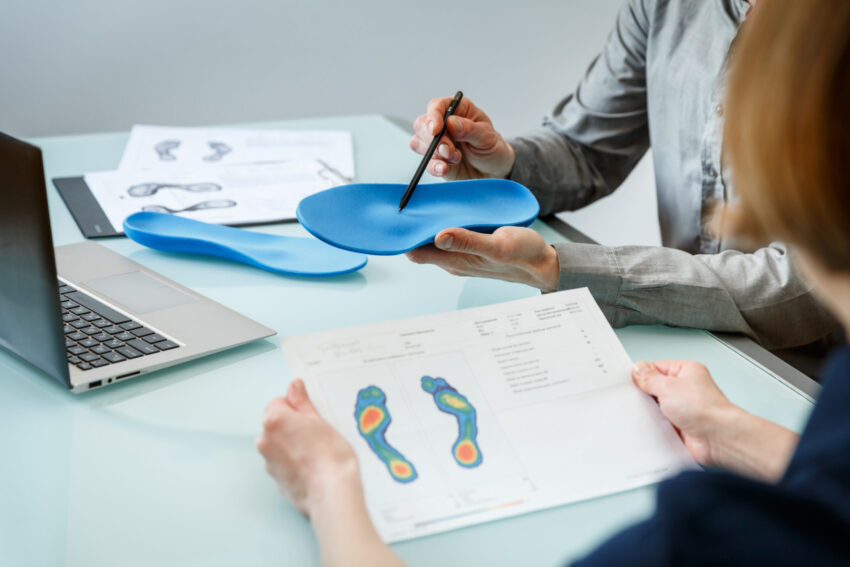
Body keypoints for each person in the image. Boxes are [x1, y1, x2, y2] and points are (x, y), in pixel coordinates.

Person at [256, 0, 850, 564]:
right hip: (727, 383)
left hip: (799, 378)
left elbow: (799, 283)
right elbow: (588, 149)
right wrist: (502, 166)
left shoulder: (701, 532)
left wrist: (328, 486)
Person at [405, 0, 838, 353]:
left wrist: (567, 268)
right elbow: (587, 148)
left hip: (817, 374)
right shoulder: (664, 7)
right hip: (683, 340)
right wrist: (502, 167)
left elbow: (813, 282)